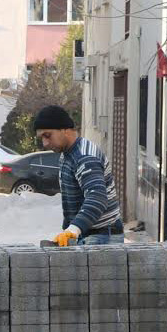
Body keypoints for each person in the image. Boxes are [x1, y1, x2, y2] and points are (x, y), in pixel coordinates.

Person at [33, 105, 123, 246]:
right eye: (41, 138)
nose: (44, 143)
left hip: (102, 237)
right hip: (89, 234)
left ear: (65, 130)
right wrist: (69, 231)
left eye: (47, 135)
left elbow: (97, 198)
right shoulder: (67, 155)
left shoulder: (84, 157)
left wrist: (73, 229)